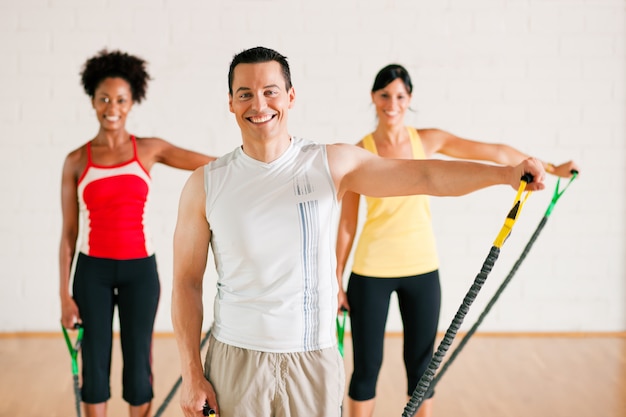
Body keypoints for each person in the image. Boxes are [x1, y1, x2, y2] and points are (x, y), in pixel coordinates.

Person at [170, 46, 547, 417]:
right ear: (231, 103)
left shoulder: (330, 163)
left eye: (270, 91)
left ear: (290, 96)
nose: (259, 104)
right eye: (245, 94)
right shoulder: (206, 184)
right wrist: (191, 373)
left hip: (312, 359)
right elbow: (186, 283)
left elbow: (426, 174)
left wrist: (504, 175)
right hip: (236, 356)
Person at [335, 63, 579, 417]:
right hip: (371, 272)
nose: (392, 103)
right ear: (374, 97)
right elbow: (347, 224)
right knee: (366, 369)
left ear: (410, 99)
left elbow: (494, 152)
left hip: (422, 269)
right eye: (385, 95)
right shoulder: (361, 151)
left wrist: (553, 168)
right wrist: (337, 279)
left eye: (400, 96)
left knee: (422, 368)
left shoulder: (427, 139)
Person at [58, 49, 216, 417]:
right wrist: (64, 297)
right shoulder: (76, 160)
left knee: (138, 366)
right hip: (91, 272)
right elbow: (68, 234)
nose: (112, 107)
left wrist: (256, 166)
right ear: (93, 101)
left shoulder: (149, 149)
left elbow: (212, 165)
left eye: (121, 99)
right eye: (104, 99)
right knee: (94, 364)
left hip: (139, 273)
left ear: (132, 102)